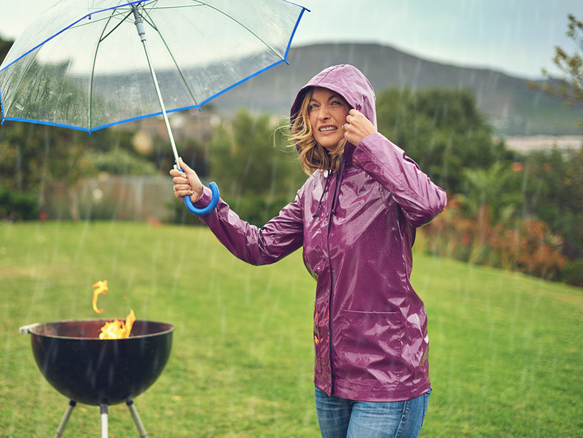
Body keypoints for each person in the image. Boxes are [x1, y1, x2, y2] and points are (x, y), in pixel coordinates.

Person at [170, 64, 447, 438]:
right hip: (331, 379)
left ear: (359, 110)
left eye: (336, 103)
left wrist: (372, 143)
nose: (323, 114)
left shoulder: (388, 180)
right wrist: (206, 199)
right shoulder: (313, 189)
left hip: (389, 378)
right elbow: (260, 245)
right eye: (314, 106)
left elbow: (429, 203)